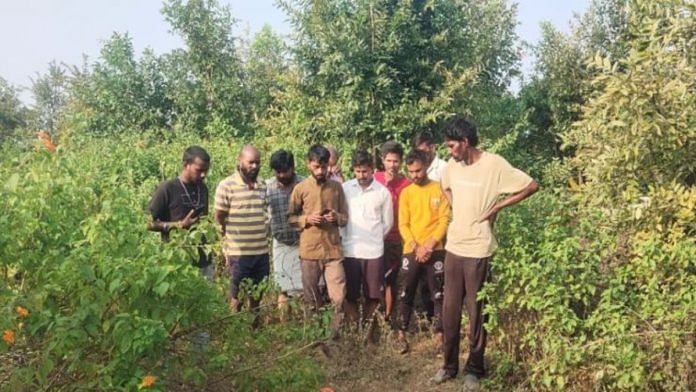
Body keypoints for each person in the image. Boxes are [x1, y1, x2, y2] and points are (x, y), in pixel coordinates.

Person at [431, 116, 539, 391]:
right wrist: (457, 207)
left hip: (479, 248)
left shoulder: (494, 164)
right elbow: (443, 186)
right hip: (454, 246)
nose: (450, 152)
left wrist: (495, 209)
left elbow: (531, 186)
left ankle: (474, 370)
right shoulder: (453, 167)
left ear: (466, 142)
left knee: (476, 312)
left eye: (453, 146)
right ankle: (449, 366)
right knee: (450, 310)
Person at [288, 144, 349, 338]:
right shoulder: (300, 189)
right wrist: (306, 219)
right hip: (310, 251)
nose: (321, 171)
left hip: (333, 250)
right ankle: (314, 337)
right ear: (308, 165)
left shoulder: (337, 187)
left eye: (324, 167)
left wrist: (336, 218)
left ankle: (335, 336)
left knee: (338, 297)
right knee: (311, 298)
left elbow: (345, 217)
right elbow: (290, 218)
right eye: (316, 167)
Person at [396, 150, 450, 354]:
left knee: (438, 293)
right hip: (412, 249)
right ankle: (401, 334)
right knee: (405, 291)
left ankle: (439, 335)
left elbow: (444, 219)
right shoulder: (407, 193)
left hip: (435, 249)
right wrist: (416, 246)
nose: (415, 175)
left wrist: (429, 244)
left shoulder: (439, 189)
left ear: (426, 166)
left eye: (418, 171)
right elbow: (403, 224)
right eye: (411, 171)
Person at [341, 150, 393, 343]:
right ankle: (356, 334)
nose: (361, 175)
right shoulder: (345, 189)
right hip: (350, 250)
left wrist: (374, 240)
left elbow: (387, 224)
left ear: (372, 169)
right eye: (358, 171)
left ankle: (369, 337)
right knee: (351, 296)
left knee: (373, 296)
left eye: (365, 171)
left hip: (374, 252)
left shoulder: (382, 192)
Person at [214, 145, 269, 313]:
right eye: (251, 162)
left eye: (258, 163)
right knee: (236, 296)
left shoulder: (262, 185)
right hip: (238, 253)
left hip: (261, 252)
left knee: (257, 296)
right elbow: (219, 217)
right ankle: (235, 333)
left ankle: (254, 332)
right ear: (240, 161)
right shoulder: (227, 185)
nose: (255, 166)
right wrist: (224, 243)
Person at [148, 145, 213, 280]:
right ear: (186, 165)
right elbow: (147, 223)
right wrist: (178, 225)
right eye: (199, 170)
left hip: (203, 261)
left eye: (206, 171)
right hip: (177, 262)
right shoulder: (167, 188)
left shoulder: (203, 188)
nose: (203, 175)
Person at [374, 141, 410, 326]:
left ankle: (388, 319)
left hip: (395, 238)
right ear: (382, 160)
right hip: (373, 238)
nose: (392, 165)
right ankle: (374, 318)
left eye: (396, 161)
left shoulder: (407, 184)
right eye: (389, 160)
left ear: (401, 162)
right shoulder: (374, 178)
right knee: (373, 280)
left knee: (391, 281)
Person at [266, 149, 304, 316]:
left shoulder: (304, 184)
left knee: (304, 287)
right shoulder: (267, 187)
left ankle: (302, 324)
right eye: (277, 172)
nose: (281, 175)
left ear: (293, 167)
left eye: (284, 171)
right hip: (280, 242)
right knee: (283, 288)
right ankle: (284, 326)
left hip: (302, 243)